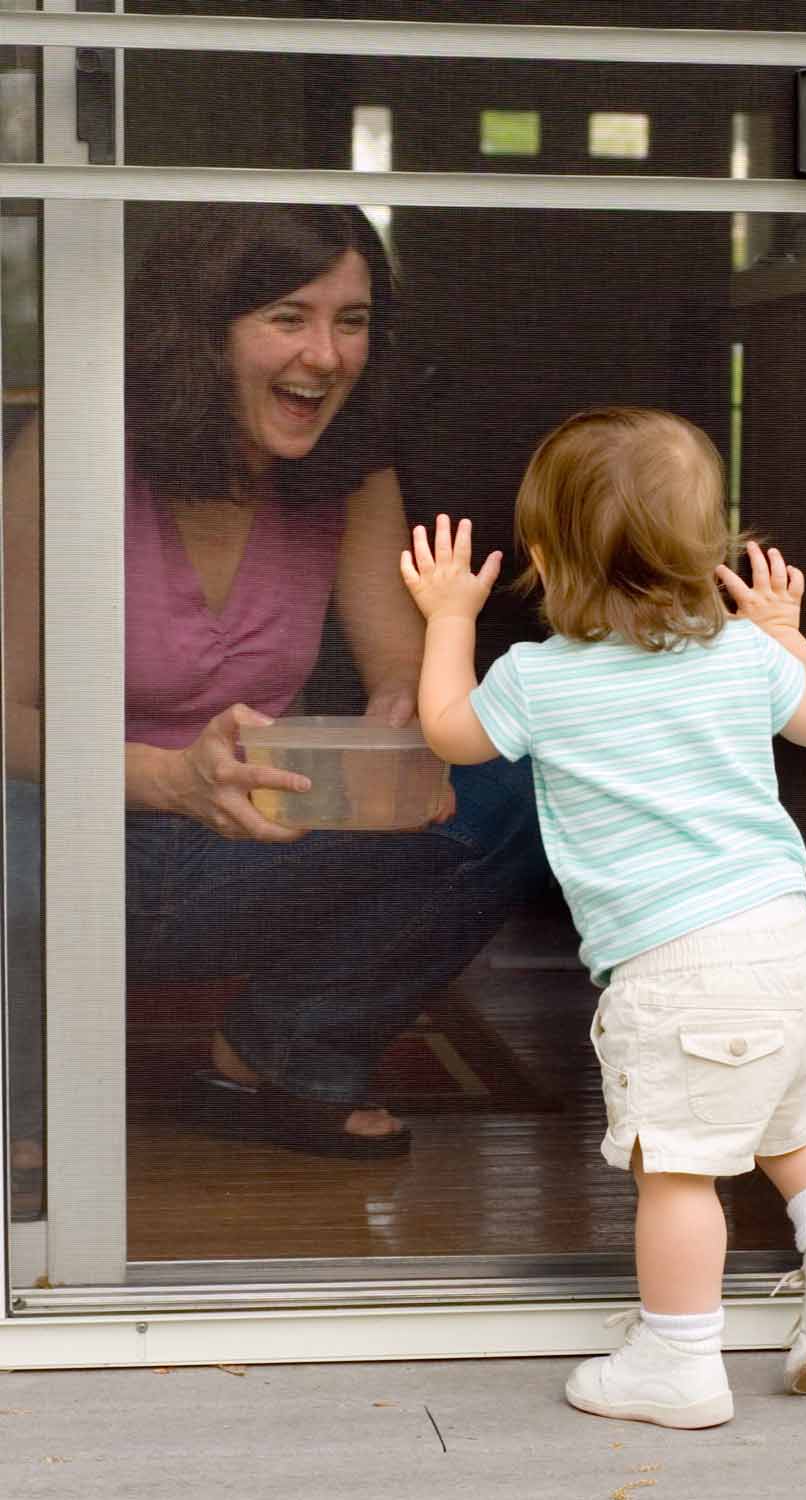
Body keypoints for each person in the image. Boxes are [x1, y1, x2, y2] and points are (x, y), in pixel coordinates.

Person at [3, 202, 547, 1188]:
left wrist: (408, 726)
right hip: (66, 859)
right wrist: (170, 778)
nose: (328, 354)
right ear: (202, 332)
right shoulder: (76, 447)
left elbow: (401, 677)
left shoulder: (351, 476)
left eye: (353, 320)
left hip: (249, 849)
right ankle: (20, 1110)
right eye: (289, 317)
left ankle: (276, 1060)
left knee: (507, 788)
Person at [400, 406, 806, 1428]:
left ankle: (677, 1359)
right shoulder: (737, 654)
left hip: (673, 966)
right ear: (704, 551)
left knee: (676, 1167)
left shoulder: (539, 679)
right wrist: (784, 633)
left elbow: (452, 738)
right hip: (783, 942)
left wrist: (449, 618)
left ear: (543, 561)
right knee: (790, 1115)